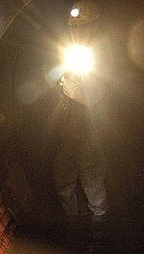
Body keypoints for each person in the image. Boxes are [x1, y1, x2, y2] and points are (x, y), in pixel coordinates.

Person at [50, 0, 110, 220]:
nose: (78, 30)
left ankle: (99, 233)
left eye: (83, 26)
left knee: (92, 180)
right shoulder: (69, 51)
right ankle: (71, 230)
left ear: (94, 25)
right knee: (63, 180)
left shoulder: (102, 52)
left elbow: (97, 95)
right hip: (67, 128)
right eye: (75, 27)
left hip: (88, 127)